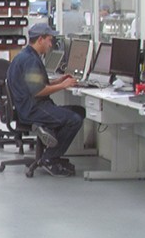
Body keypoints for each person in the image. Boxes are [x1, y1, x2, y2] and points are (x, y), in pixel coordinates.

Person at [6, 23, 86, 177]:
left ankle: (49, 135)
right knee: (74, 119)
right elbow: (39, 91)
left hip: (29, 106)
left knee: (79, 111)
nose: (51, 45)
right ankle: (49, 158)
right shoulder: (30, 61)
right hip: (33, 109)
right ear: (40, 39)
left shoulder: (27, 56)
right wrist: (63, 85)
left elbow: (37, 84)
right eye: (49, 40)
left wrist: (58, 81)